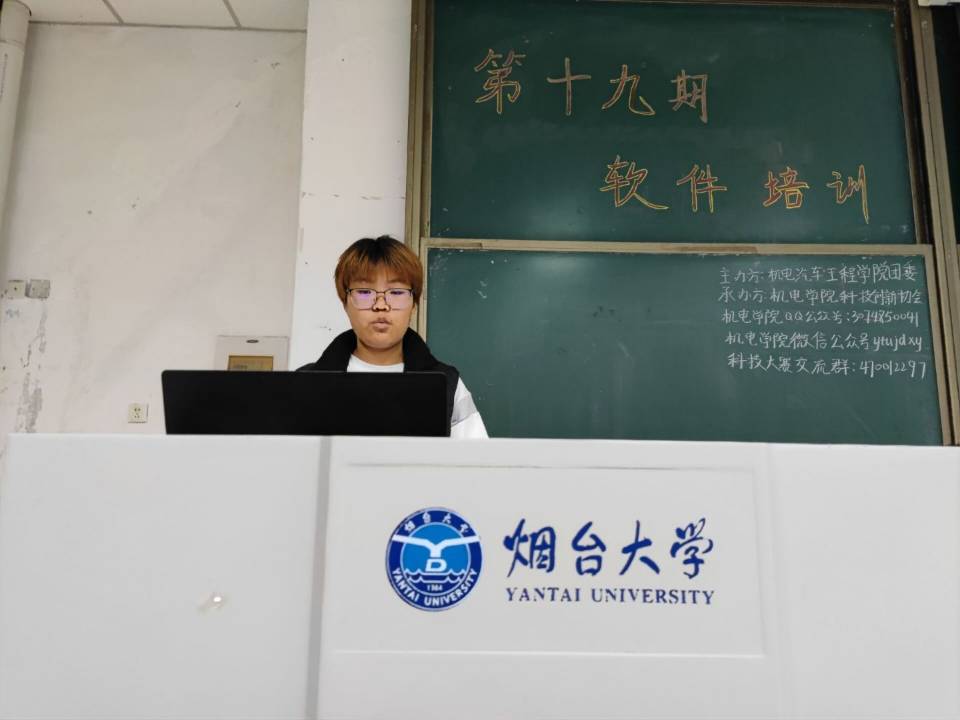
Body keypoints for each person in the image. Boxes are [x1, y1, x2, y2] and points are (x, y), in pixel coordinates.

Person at [298, 235, 488, 439]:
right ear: (345, 303)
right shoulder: (305, 383)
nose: (381, 305)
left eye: (396, 292)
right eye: (364, 292)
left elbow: (476, 457)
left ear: (414, 305)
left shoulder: (447, 385)